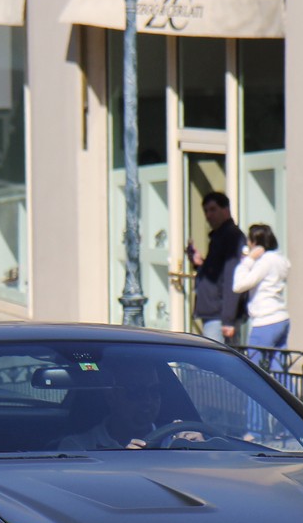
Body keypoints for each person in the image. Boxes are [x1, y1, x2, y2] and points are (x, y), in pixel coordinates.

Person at [59, 357, 203, 450]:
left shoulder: (172, 441)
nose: (147, 400)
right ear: (112, 397)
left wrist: (202, 450)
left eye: (155, 391)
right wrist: (125, 462)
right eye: (136, 392)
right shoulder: (78, 447)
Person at [231, 224, 290, 383]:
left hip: (265, 320)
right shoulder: (280, 259)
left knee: (255, 374)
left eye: (249, 241)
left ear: (255, 243)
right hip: (281, 318)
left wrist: (248, 261)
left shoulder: (264, 262)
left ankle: (254, 409)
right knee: (280, 372)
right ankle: (288, 407)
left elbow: (239, 285)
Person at [185, 191, 245, 345]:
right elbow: (215, 272)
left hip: (219, 315)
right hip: (213, 313)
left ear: (225, 210)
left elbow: (232, 276)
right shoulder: (218, 236)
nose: (208, 215)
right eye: (205, 211)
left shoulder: (232, 236)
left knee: (216, 363)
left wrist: (228, 319)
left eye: (213, 209)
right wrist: (199, 263)